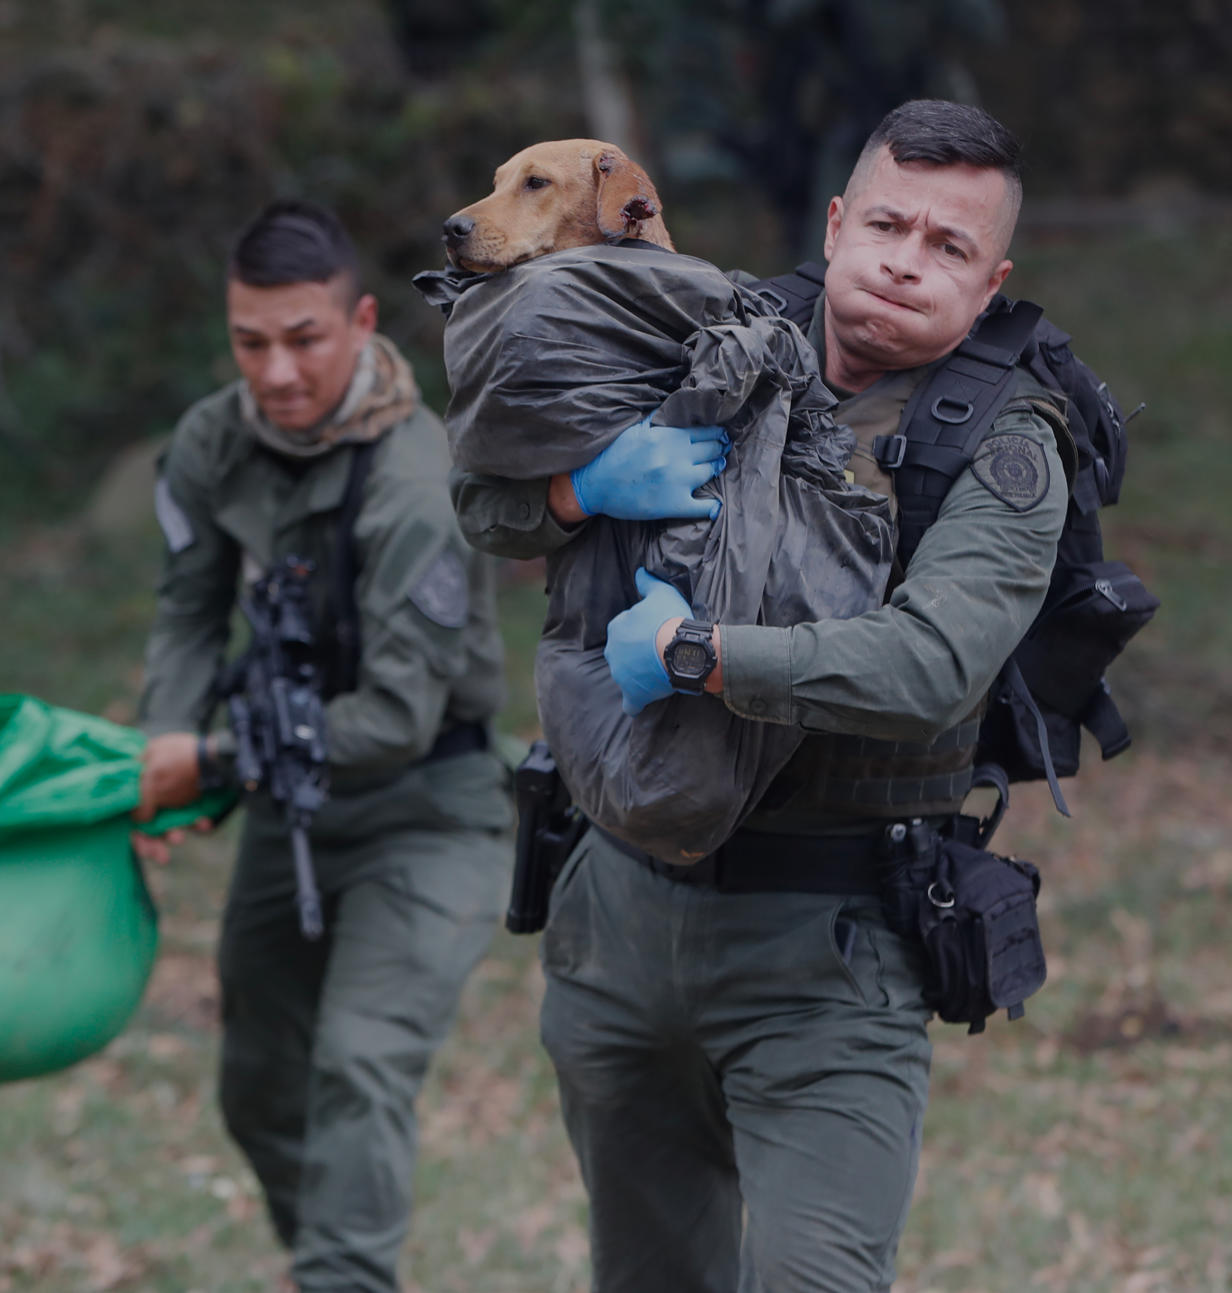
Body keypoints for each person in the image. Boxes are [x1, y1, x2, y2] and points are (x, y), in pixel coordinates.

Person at [452, 100, 1070, 1290]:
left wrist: (701, 653)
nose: (905, 259)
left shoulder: (1001, 442)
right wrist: (583, 489)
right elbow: (484, 503)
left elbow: (931, 664)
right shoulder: (704, 334)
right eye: (888, 222)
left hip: (828, 952)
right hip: (620, 916)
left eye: (949, 247)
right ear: (837, 224)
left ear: (991, 284)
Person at [131, 200, 512, 1293]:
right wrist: (167, 733)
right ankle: (334, 1261)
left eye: (304, 339)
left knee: (359, 1061)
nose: (279, 371)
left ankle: (344, 1276)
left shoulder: (412, 481)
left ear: (359, 320)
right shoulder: (214, 439)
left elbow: (395, 722)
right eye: (251, 342)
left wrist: (206, 766)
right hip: (292, 804)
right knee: (257, 1084)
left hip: (431, 808)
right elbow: (190, 608)